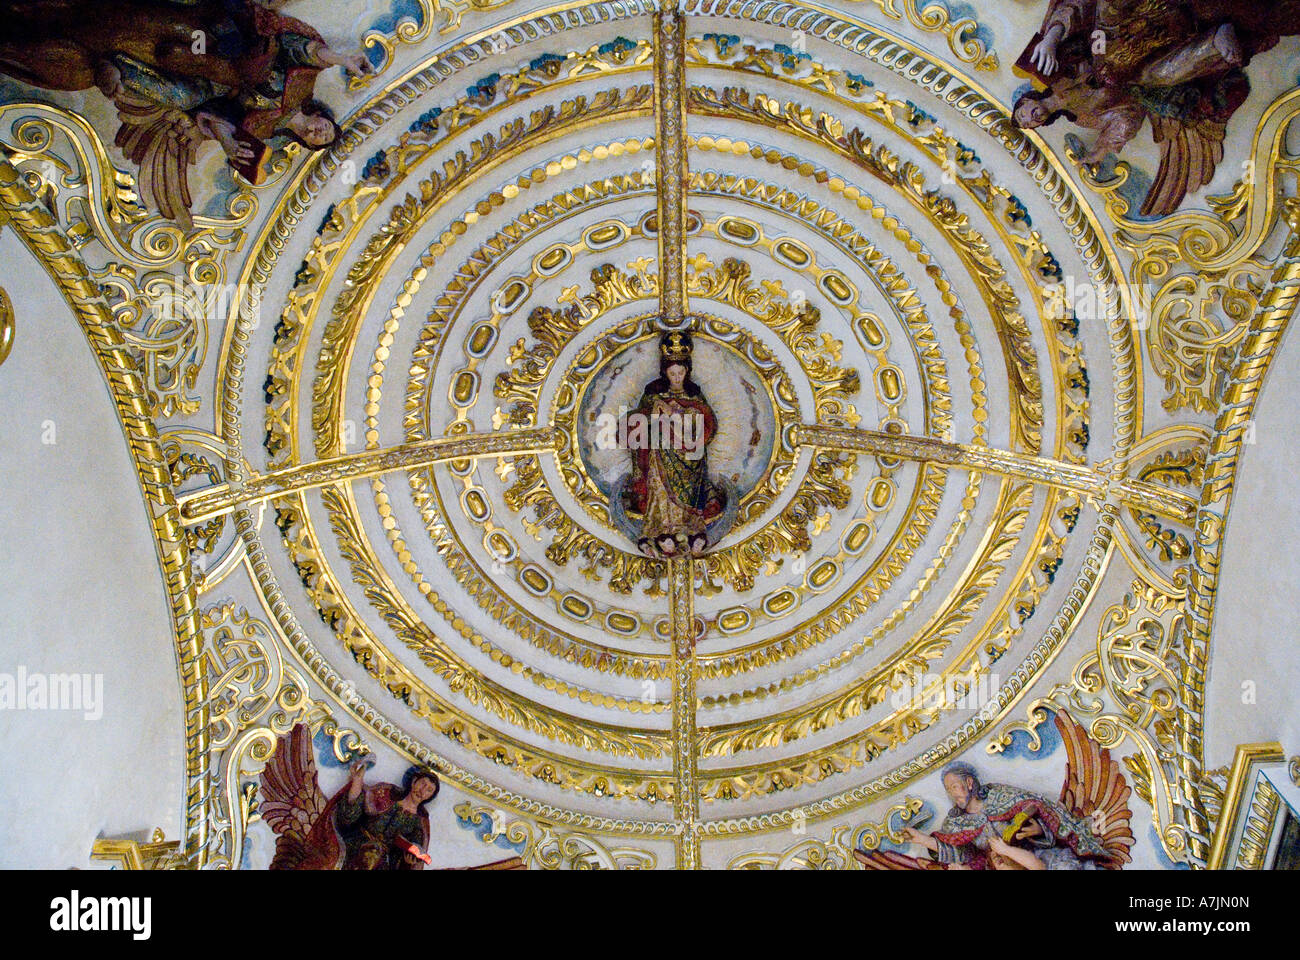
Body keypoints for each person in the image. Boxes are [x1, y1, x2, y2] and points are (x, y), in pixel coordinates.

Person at [622, 332, 726, 557]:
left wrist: (680, 412)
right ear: (665, 372)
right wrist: (655, 412)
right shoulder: (653, 392)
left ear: (687, 371)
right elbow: (638, 421)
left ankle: (690, 528)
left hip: (691, 458)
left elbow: (707, 423)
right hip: (659, 453)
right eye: (672, 373)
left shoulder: (694, 393)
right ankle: (662, 528)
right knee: (660, 490)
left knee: (689, 494)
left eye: (681, 372)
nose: (677, 377)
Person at [902, 761, 1111, 870]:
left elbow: (1042, 813)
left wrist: (1038, 830)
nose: (953, 794)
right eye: (948, 790)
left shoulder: (1000, 796)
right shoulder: (955, 823)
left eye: (955, 786)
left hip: (1035, 855)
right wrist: (921, 839)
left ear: (969, 783)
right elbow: (962, 853)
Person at [333, 762, 439, 870]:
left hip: (380, 861)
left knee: (373, 858)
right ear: (413, 782)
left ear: (429, 797)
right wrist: (357, 782)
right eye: (422, 783)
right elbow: (348, 815)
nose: (422, 790)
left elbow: (411, 857)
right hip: (356, 844)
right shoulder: (386, 795)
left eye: (429, 790)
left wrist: (408, 861)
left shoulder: (418, 823)